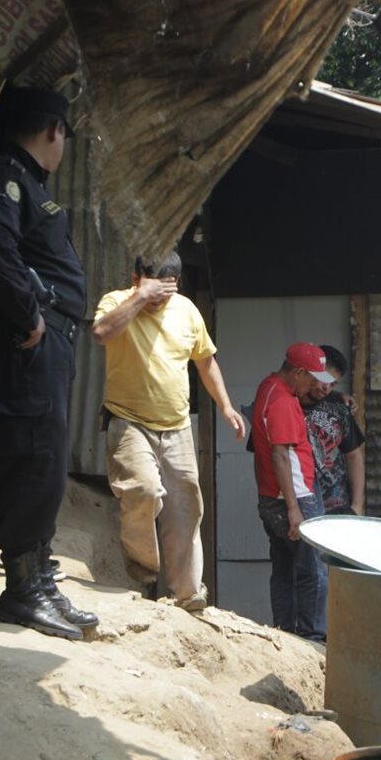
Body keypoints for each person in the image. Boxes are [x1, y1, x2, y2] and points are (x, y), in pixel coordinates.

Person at [0, 86, 97, 640]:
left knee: (44, 461)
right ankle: (21, 590)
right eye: (65, 133)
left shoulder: (26, 182)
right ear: (53, 131)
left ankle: (39, 577)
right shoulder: (4, 175)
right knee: (30, 456)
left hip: (44, 345)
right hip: (24, 343)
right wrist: (29, 316)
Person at [92, 252, 245, 612]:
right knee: (143, 491)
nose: (162, 300)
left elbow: (205, 361)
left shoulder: (186, 310)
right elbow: (101, 333)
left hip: (176, 426)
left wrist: (225, 405)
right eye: (156, 291)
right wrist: (140, 297)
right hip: (128, 421)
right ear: (135, 277)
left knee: (186, 507)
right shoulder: (117, 301)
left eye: (168, 292)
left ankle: (188, 594)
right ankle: (143, 563)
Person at [250, 343, 336, 641]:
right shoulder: (284, 402)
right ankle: (312, 639)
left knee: (285, 569)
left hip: (272, 496)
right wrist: (294, 509)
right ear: (298, 373)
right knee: (314, 573)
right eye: (312, 379)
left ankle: (285, 634)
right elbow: (280, 455)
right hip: (295, 498)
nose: (315, 385)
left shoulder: (269, 387)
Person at [302, 346, 366, 516]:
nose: (327, 388)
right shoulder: (285, 403)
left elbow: (354, 455)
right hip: (300, 506)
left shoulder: (338, 407)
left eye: (333, 384)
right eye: (324, 379)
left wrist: (357, 505)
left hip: (337, 505)